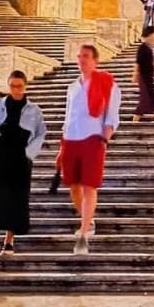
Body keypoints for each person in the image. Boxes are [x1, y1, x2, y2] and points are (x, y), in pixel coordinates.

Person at [0, 70, 47, 259]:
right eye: (12, 85)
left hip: (19, 159)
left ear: (25, 86)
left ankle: (9, 241)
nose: (15, 89)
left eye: (19, 86)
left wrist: (29, 154)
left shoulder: (34, 110)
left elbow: (40, 134)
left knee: (15, 200)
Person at [57, 44, 121, 255]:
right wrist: (61, 145)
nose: (82, 60)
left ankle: (83, 235)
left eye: (86, 56)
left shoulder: (106, 83)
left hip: (93, 139)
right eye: (79, 56)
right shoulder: (72, 87)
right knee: (73, 186)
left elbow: (112, 112)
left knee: (89, 186)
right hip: (71, 139)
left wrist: (106, 135)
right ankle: (89, 220)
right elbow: (68, 117)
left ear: (95, 60)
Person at [133, 25, 154, 122]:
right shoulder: (143, 47)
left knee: (146, 98)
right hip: (144, 77)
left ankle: (137, 119)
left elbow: (151, 61)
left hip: (148, 77)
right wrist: (135, 75)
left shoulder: (149, 48)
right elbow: (138, 62)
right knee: (149, 97)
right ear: (150, 35)